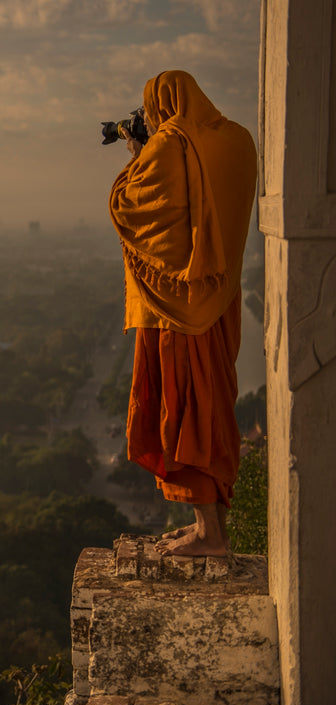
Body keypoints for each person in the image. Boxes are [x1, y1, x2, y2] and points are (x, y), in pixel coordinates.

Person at [108, 70, 258, 557]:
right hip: (222, 296)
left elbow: (130, 207)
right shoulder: (235, 140)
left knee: (184, 414)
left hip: (177, 308)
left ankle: (209, 534)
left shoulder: (171, 144)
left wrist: (136, 156)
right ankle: (207, 527)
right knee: (210, 410)